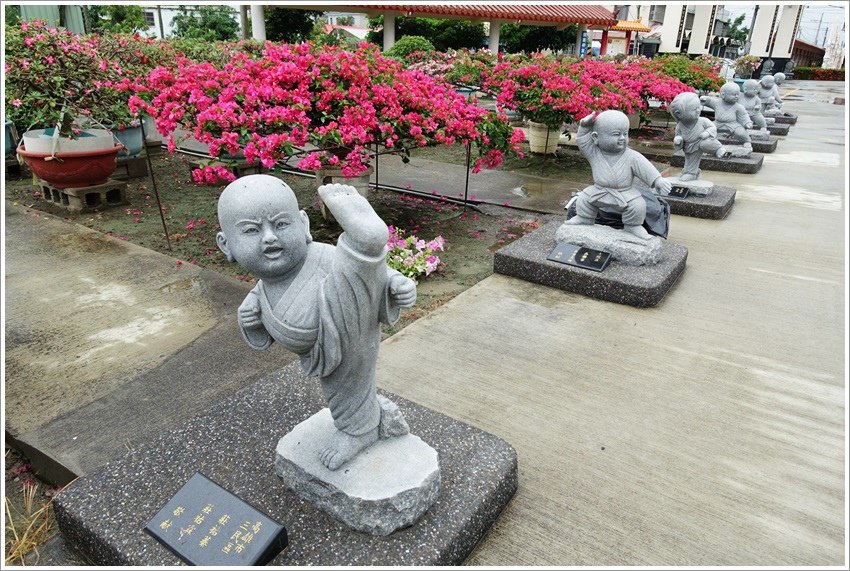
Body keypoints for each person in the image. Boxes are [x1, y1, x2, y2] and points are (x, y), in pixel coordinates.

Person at [216, 175, 417, 470]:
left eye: (281, 224)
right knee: (340, 389)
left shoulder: (320, 256)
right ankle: (364, 247)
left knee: (349, 284)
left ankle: (358, 432)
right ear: (226, 245)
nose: (269, 237)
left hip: (349, 328)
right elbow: (260, 319)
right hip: (318, 349)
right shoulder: (262, 288)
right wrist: (251, 321)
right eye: (251, 230)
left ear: (304, 225)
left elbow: (377, 281)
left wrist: (397, 284)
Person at [564, 110, 671, 240]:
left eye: (625, 134)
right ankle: (584, 218)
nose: (622, 138)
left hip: (624, 193)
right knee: (583, 199)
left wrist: (658, 181)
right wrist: (584, 126)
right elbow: (582, 141)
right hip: (599, 190)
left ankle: (633, 226)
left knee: (638, 205)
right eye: (616, 134)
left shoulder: (632, 156)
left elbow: (646, 169)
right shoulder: (594, 152)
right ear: (595, 138)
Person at [669, 91, 727, 181]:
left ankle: (718, 149)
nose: (698, 110)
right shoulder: (680, 125)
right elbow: (678, 135)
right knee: (690, 160)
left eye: (698, 107)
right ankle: (691, 173)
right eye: (693, 109)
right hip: (689, 146)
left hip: (702, 141)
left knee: (706, 142)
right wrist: (678, 140)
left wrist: (707, 133)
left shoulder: (703, 121)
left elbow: (712, 127)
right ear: (679, 114)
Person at [700, 82, 753, 152]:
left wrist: (747, 123)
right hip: (717, 123)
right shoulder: (717, 103)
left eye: (738, 94)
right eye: (734, 95)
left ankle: (747, 141)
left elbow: (744, 115)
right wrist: (705, 99)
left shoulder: (738, 107)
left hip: (733, 124)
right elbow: (710, 101)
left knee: (741, 133)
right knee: (706, 130)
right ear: (723, 95)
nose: (736, 96)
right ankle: (704, 141)